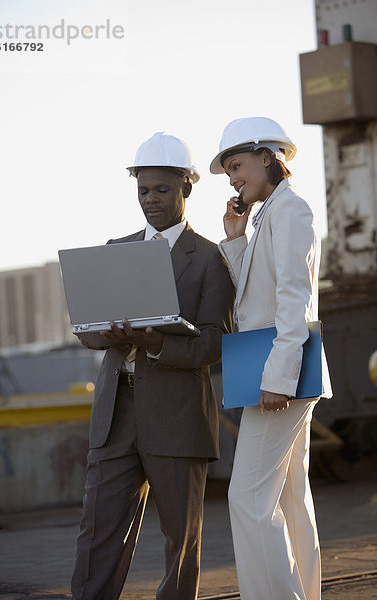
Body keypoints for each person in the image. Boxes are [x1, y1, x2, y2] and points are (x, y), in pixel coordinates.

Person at [71, 131, 235, 600]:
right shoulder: (115, 247)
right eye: (143, 190)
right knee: (97, 530)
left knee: (180, 539)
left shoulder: (209, 260)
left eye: (162, 189)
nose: (151, 199)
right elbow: (87, 330)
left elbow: (216, 342)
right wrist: (111, 332)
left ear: (187, 187)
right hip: (116, 413)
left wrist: (158, 343)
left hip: (177, 414)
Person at [210, 117, 332, 600]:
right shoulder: (268, 215)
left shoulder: (291, 211)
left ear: (267, 157)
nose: (233, 178)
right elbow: (253, 301)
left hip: (280, 373)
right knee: (288, 497)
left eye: (236, 165)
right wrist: (236, 239)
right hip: (282, 368)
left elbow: (293, 302)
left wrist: (278, 377)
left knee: (247, 498)